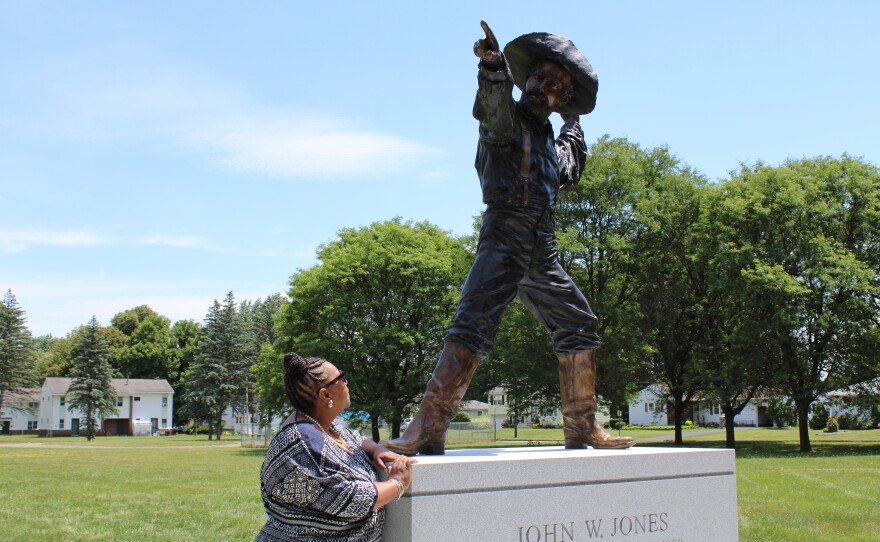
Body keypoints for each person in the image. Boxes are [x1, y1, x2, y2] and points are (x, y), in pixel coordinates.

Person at [382, 22, 635, 456]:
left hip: (542, 247)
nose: (541, 86)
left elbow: (567, 170)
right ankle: (427, 428)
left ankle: (582, 427)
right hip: (504, 237)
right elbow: (492, 107)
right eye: (538, 77)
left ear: (562, 97)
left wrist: (573, 123)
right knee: (471, 325)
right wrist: (494, 68)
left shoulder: (548, 135)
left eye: (555, 84)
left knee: (579, 326)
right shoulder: (505, 122)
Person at [255, 352, 416, 542]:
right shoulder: (302, 443)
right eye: (341, 377)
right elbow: (349, 499)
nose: (346, 382)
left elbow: (355, 439)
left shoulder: (321, 426)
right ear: (325, 394)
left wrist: (376, 449)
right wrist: (398, 483)